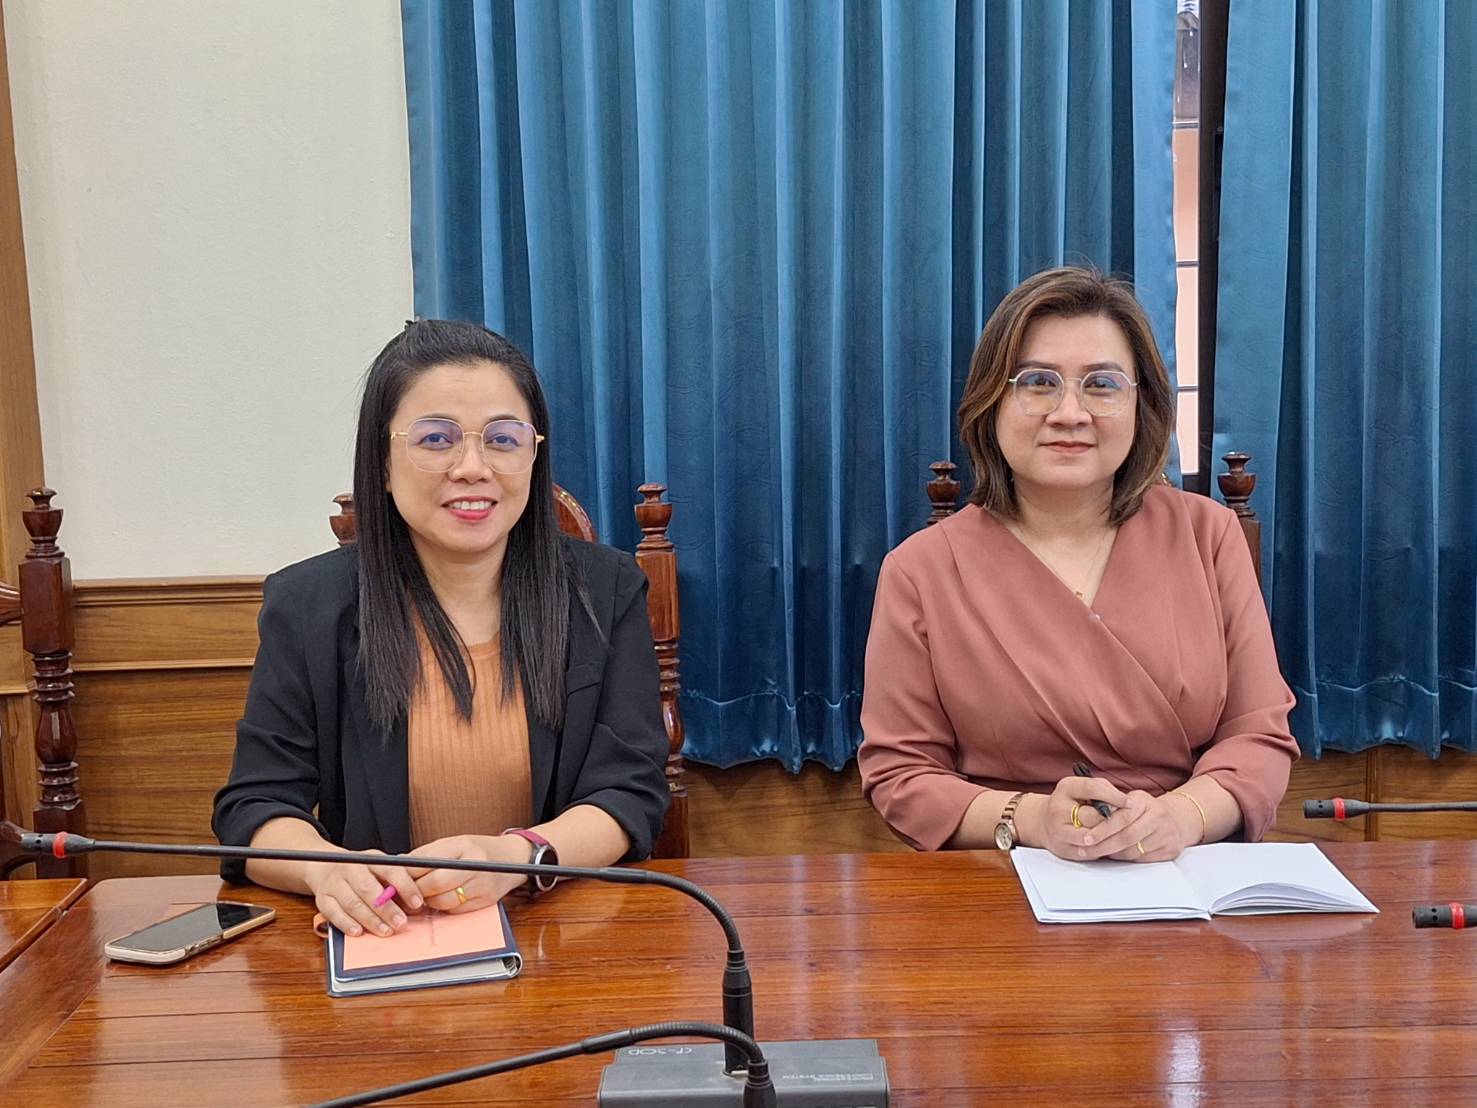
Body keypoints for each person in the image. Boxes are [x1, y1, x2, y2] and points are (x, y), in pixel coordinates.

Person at [213, 320, 669, 938]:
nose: (472, 468)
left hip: (556, 935)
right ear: (381, 461)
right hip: (384, 938)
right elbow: (255, 806)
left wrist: (517, 856)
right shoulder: (308, 605)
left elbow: (631, 794)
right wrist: (327, 871)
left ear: (534, 455)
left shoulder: (605, 590)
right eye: (435, 439)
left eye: (503, 439)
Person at [858, 266, 1297, 862]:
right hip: (1011, 877)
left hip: (1184, 871)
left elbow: (1259, 736)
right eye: (1038, 382)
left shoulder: (1208, 536)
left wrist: (1179, 818)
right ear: (991, 401)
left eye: (1102, 385)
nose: (1070, 412)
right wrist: (1033, 819)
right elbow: (901, 773)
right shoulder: (921, 570)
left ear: (1142, 404)